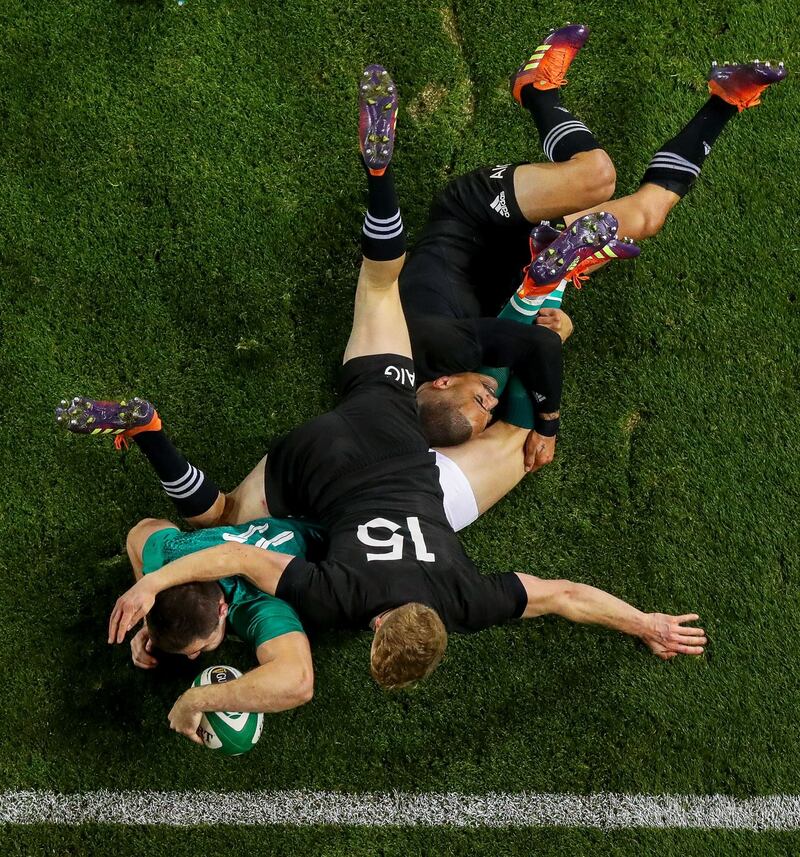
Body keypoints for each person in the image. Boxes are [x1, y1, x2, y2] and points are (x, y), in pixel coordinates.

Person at [89, 66, 705, 745]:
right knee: (231, 509)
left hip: (391, 419)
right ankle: (389, 187)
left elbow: (562, 595)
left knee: (406, 318)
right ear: (381, 627)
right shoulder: (338, 598)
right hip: (319, 452)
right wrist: (151, 594)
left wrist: (648, 621)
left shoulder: (463, 597)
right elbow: (234, 561)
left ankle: (416, 202)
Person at [403, 24, 786, 473]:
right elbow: (530, 348)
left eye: (479, 400)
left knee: (597, 176)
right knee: (647, 216)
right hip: (525, 256)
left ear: (442, 382)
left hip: (472, 217)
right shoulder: (468, 384)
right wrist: (555, 328)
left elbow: (535, 350)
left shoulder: (433, 348)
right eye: (489, 411)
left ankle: (536, 90)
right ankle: (726, 100)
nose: (490, 400)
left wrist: (548, 422)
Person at [124, 514, 323, 742]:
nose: (194, 657)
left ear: (223, 609)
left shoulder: (256, 603)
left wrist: (194, 701)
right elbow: (140, 531)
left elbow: (298, 682)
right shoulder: (172, 554)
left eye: (202, 645)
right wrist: (146, 619)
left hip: (332, 543)